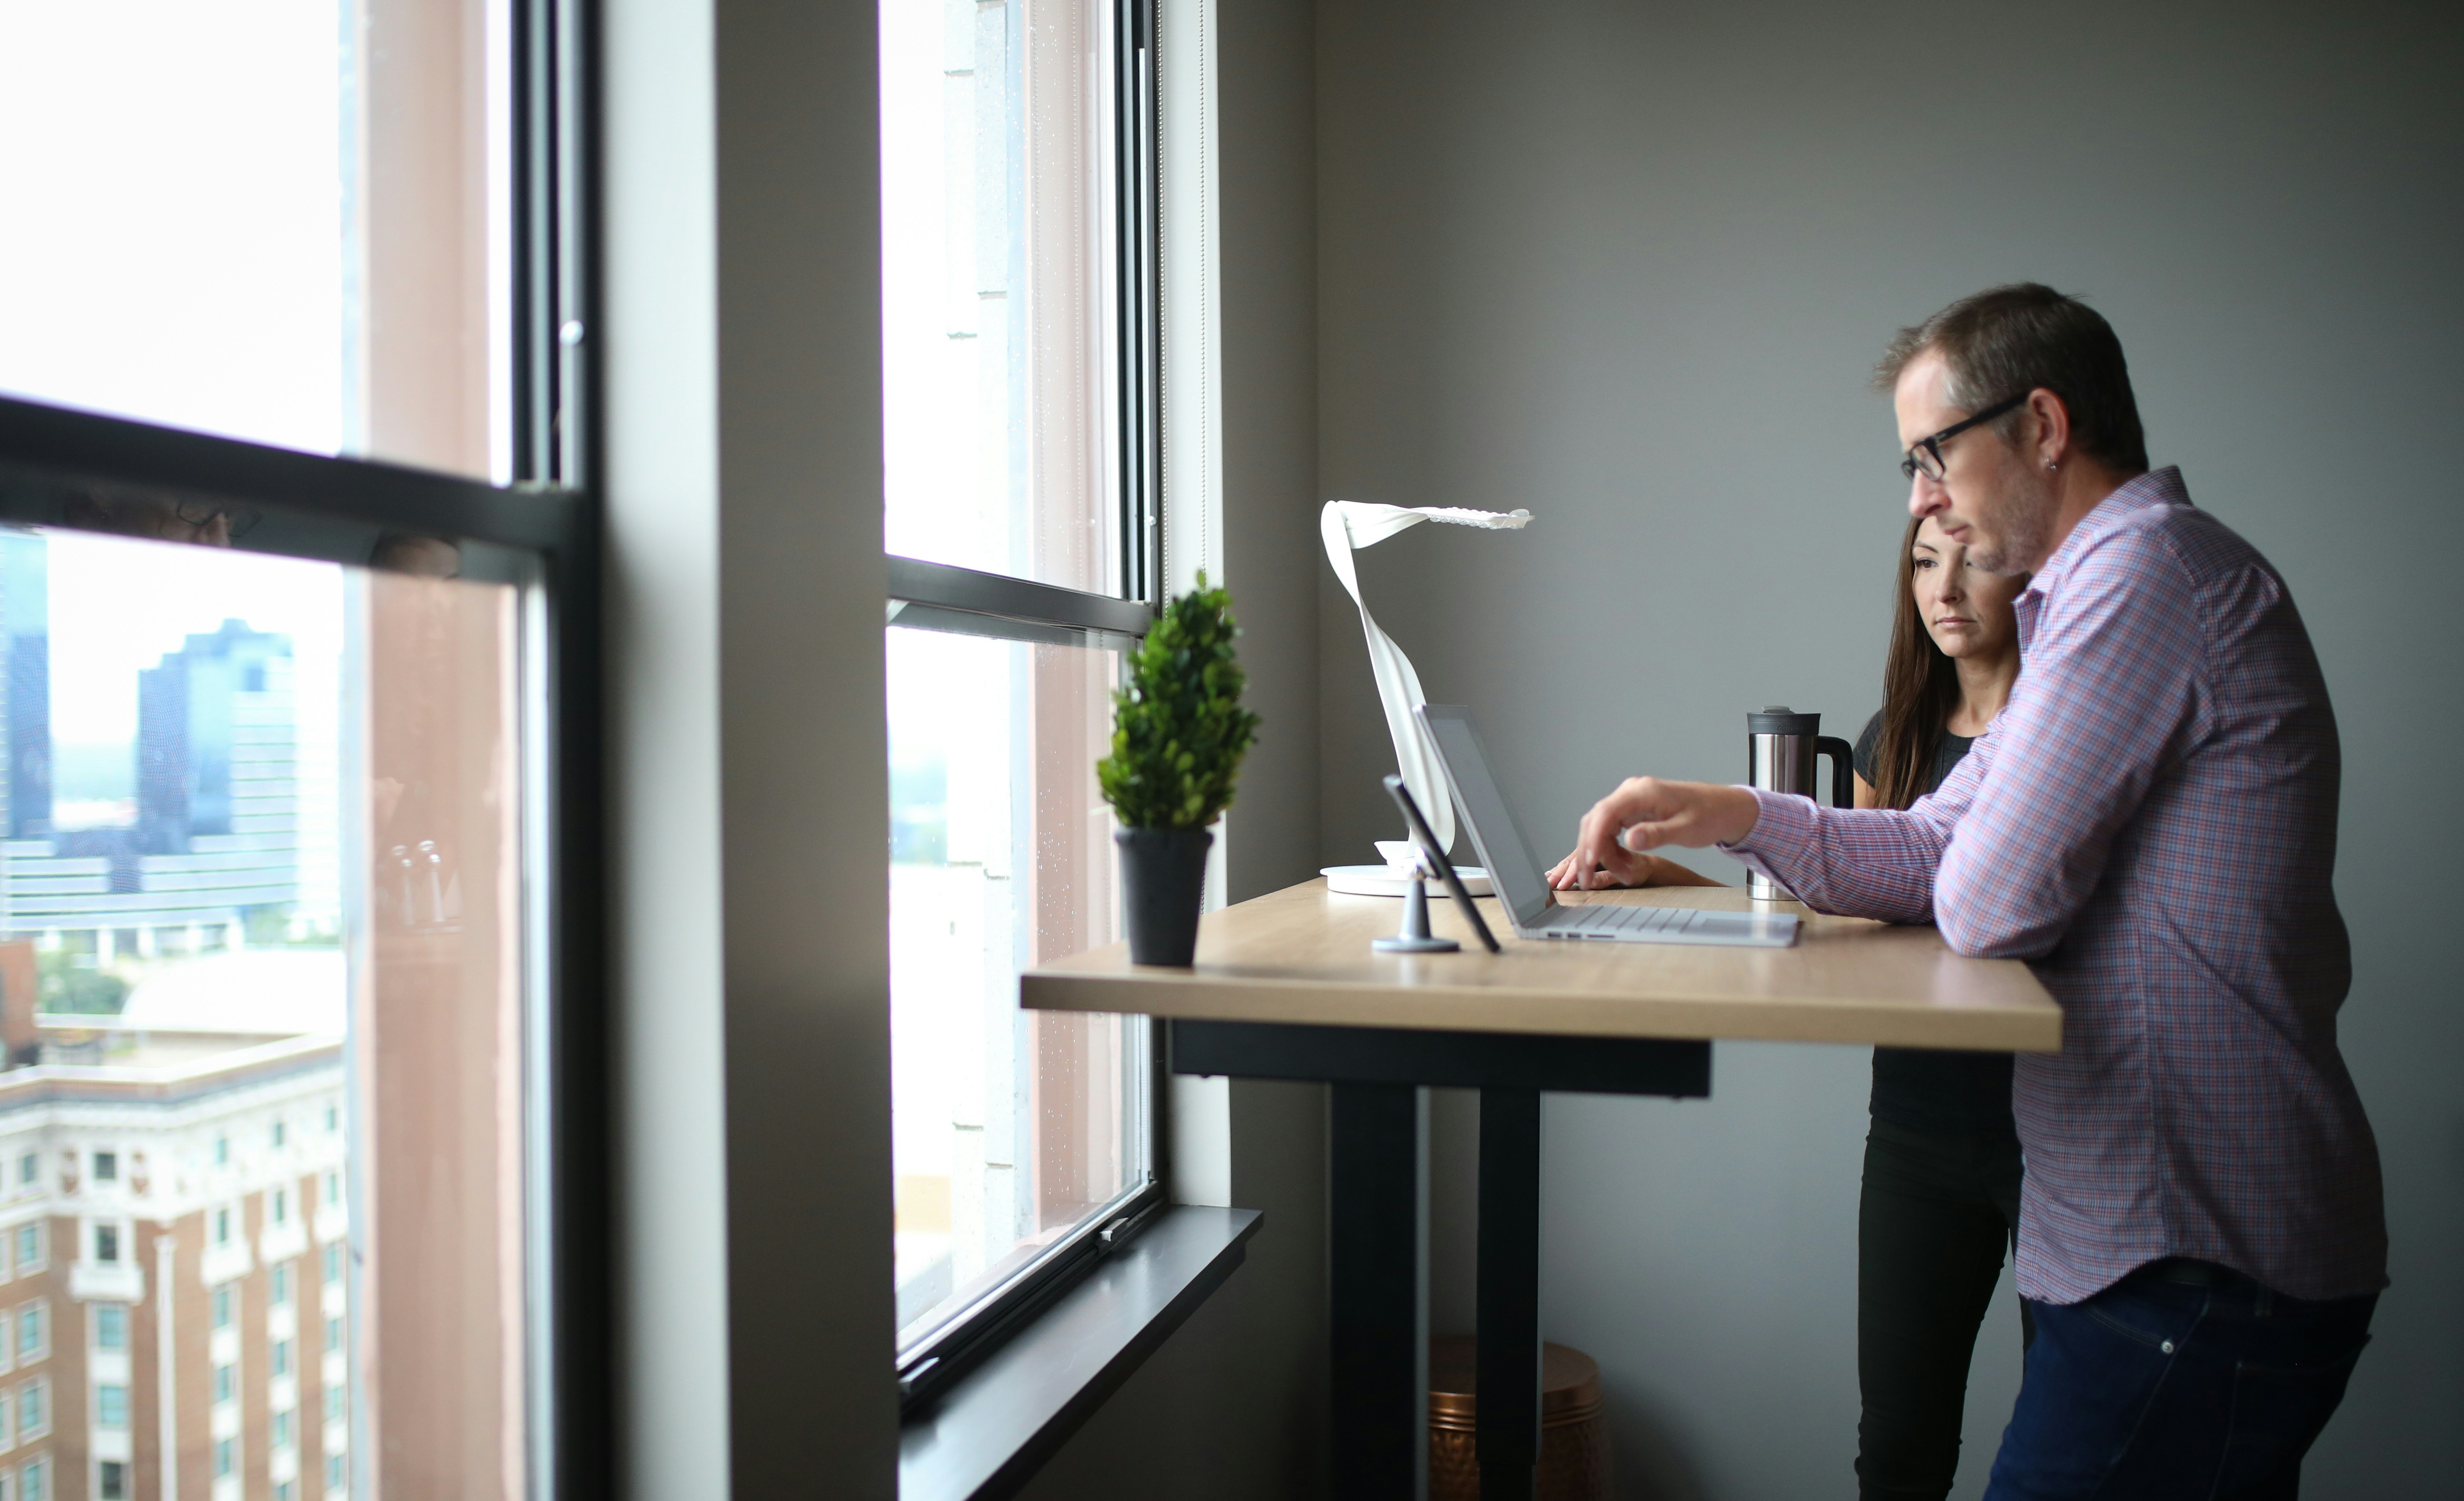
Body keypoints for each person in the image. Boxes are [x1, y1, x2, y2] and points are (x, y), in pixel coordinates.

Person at [1561, 284, 2385, 1499]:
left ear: (2041, 425)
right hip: (2167, 1245)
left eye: (1931, 454)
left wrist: (1902, 848)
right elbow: (1934, 839)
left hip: (2193, 1250)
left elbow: (1987, 895)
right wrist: (1726, 812)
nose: (1918, 500)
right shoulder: (2088, 600)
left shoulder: (2140, 576)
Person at [1550, 512, 2033, 1499]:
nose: (1942, 591)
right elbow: (1836, 904)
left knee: (2056, 1442)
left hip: (2055, 1126)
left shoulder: (2062, 739)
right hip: (1916, 1123)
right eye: (1922, 565)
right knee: (1898, 1446)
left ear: (2023, 577)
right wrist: (1665, 876)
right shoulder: (1892, 740)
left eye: (1971, 563)